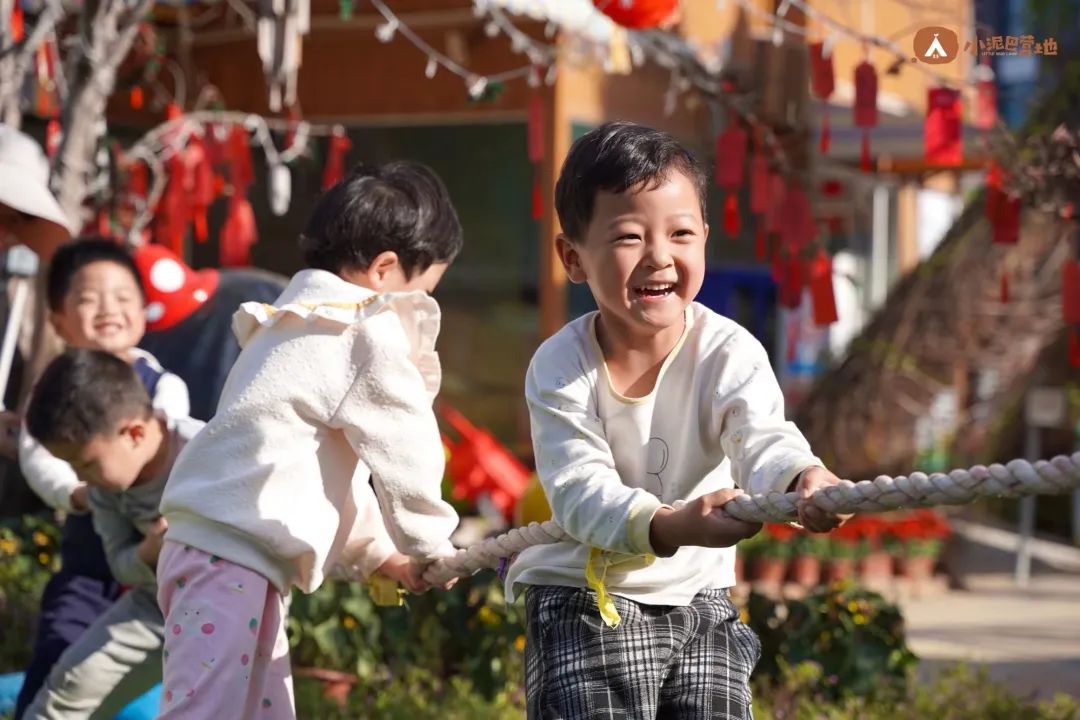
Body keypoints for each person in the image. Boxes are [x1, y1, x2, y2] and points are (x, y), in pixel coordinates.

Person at [505, 122, 849, 719]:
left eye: (681, 233)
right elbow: (578, 490)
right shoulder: (560, 366)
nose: (660, 256)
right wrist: (669, 526)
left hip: (700, 597)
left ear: (705, 241)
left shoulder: (729, 352)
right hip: (583, 598)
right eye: (629, 236)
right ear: (573, 257)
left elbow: (761, 438)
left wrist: (803, 480)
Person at [156, 161, 464, 718]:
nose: (416, 312)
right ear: (385, 270)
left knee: (259, 709)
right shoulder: (360, 329)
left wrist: (379, 555)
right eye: (421, 294)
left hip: (222, 553)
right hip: (230, 559)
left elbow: (321, 472)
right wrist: (429, 541)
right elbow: (405, 442)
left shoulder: (293, 323)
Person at [14, 239, 189, 719]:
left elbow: (172, 440)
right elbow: (37, 460)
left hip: (173, 567)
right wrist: (78, 492)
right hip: (95, 563)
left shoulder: (163, 387)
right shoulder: (48, 400)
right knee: (64, 653)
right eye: (89, 299)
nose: (108, 309)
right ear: (57, 319)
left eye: (123, 296)